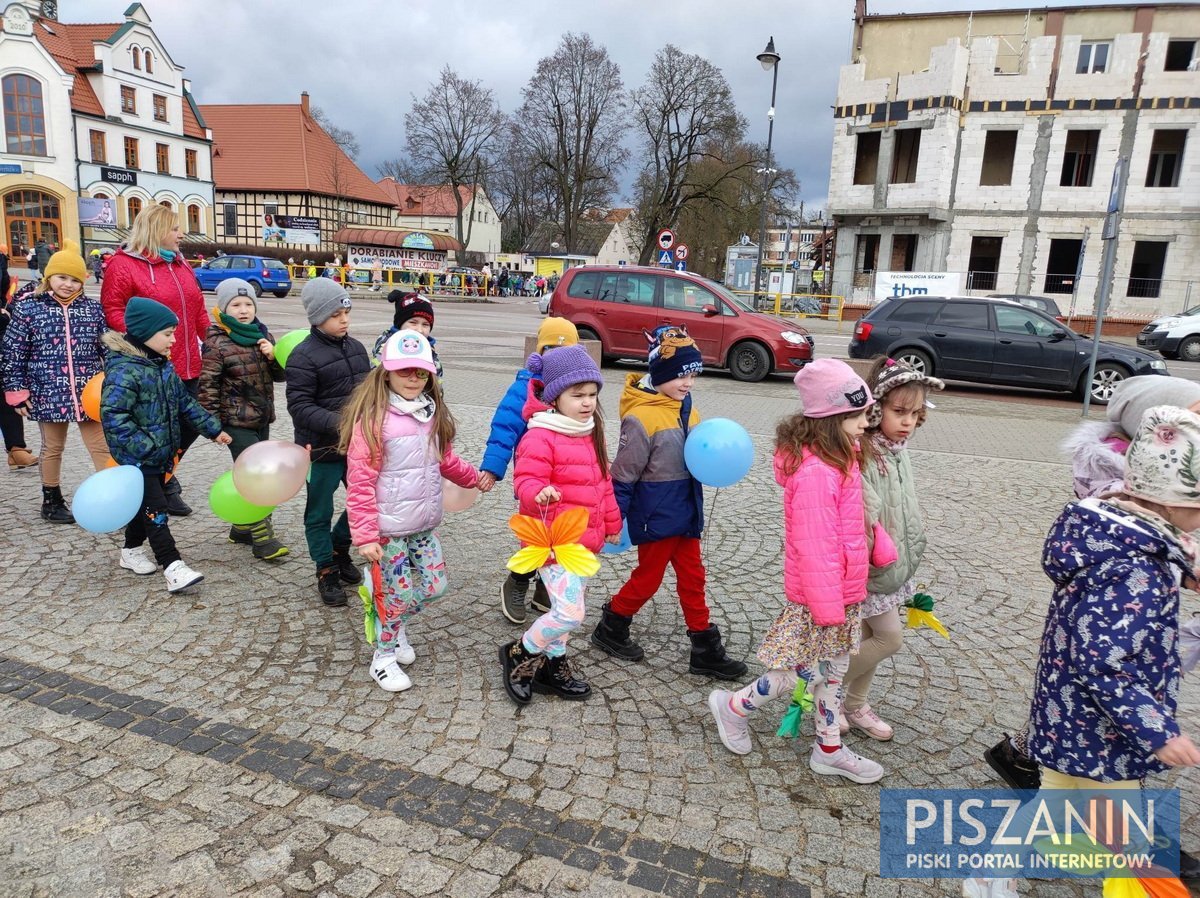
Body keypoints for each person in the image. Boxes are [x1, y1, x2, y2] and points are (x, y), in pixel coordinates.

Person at [967, 405, 1200, 898]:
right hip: (1101, 726)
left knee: (1053, 799)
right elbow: (1103, 661)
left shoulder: (1117, 534)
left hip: (1066, 710)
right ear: (1172, 501)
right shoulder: (1136, 569)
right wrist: (1156, 732)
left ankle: (991, 874)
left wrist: (1179, 569)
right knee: (1128, 837)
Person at [707, 359, 884, 783]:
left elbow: (849, 528)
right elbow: (815, 546)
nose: (866, 422)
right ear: (832, 418)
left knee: (834, 671)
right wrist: (828, 608)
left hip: (843, 591)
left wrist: (871, 560)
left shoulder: (844, 459)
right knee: (802, 672)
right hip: (822, 599)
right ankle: (734, 707)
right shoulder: (818, 473)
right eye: (858, 415)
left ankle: (828, 748)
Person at [590, 325, 746, 679]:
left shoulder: (686, 406)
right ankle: (612, 624)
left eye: (692, 375)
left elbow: (700, 453)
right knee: (649, 578)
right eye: (680, 376)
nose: (688, 383)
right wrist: (614, 520)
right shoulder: (640, 418)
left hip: (687, 507)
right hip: (656, 514)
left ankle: (704, 648)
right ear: (659, 373)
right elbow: (623, 475)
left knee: (694, 576)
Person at [342, 330, 480, 692]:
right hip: (387, 530)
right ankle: (383, 656)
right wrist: (366, 535)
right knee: (399, 595)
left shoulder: (431, 413)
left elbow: (445, 460)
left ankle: (394, 619)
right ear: (386, 371)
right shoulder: (373, 420)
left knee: (435, 586)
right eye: (404, 371)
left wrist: (474, 478)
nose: (413, 379)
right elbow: (359, 483)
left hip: (422, 524)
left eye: (420, 372)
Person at [499, 344, 622, 705]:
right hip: (553, 543)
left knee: (564, 608)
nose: (587, 402)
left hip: (585, 543)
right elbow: (524, 479)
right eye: (577, 395)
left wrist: (612, 522)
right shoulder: (540, 434)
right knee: (570, 613)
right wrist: (538, 491)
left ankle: (554, 665)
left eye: (592, 394)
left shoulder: (589, 430)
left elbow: (603, 482)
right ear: (554, 397)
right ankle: (521, 654)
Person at [841, 357, 944, 740]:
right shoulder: (864, 452)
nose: (908, 422)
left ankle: (853, 704)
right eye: (899, 412)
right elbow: (860, 518)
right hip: (869, 569)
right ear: (876, 407)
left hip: (892, 565)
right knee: (889, 638)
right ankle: (824, 687)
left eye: (915, 414)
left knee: (872, 639)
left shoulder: (898, 451)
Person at [100, 297, 231, 592]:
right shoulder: (125, 371)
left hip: (160, 454)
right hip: (139, 457)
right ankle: (173, 566)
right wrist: (143, 447)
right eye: (168, 333)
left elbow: (186, 403)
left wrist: (213, 429)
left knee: (142, 505)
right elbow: (114, 417)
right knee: (156, 508)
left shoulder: (162, 366)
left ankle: (130, 550)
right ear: (146, 333)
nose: (174, 339)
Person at [101, 204, 209, 518]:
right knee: (157, 429)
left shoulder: (181, 263)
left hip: (188, 362)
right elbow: (113, 310)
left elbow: (198, 308)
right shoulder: (124, 265)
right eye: (176, 228)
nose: (181, 234)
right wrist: (143, 344)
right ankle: (154, 486)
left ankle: (165, 477)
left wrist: (214, 339)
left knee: (188, 425)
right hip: (152, 366)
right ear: (157, 230)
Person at [2, 245, 110, 521]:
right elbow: (13, 352)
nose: (68, 284)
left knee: (101, 446)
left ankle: (111, 496)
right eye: (62, 277)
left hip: (89, 391)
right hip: (47, 389)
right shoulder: (29, 308)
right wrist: (16, 390)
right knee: (53, 446)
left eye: (74, 279)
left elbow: (107, 348)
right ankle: (51, 500)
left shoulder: (93, 309)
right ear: (49, 276)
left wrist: (114, 379)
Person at [486, 317, 580, 623]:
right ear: (540, 353)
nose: (557, 359)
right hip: (534, 475)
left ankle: (545, 587)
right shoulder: (526, 387)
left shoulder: (575, 389)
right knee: (535, 534)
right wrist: (491, 468)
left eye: (565, 351)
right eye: (551, 349)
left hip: (567, 477)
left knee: (562, 533)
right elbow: (504, 428)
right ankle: (517, 581)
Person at [286, 278, 371, 606]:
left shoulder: (357, 348)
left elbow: (368, 392)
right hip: (320, 449)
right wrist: (343, 424)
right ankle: (325, 569)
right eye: (336, 314)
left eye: (346, 311)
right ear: (317, 316)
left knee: (366, 502)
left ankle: (340, 549)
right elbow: (300, 407)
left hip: (358, 448)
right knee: (318, 511)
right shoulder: (302, 356)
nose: (345, 319)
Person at [197, 278, 288, 561]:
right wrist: (212, 426)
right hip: (235, 422)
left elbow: (281, 376)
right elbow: (207, 386)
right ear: (223, 308)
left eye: (248, 303)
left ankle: (241, 527)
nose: (243, 309)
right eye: (236, 305)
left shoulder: (262, 335)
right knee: (257, 477)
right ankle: (262, 538)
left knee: (257, 473)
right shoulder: (216, 342)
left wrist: (273, 357)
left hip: (261, 419)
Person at [371, 292, 442, 380]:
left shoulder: (429, 348)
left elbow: (437, 380)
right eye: (413, 323)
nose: (419, 330)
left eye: (425, 324)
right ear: (399, 324)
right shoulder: (386, 346)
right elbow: (376, 378)